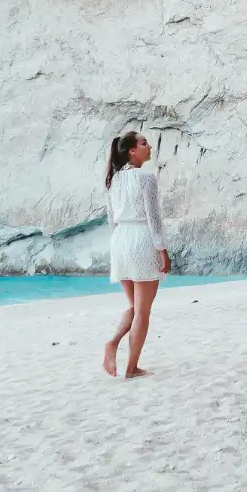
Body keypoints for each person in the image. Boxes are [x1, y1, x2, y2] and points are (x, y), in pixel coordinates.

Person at [102, 131, 169, 378]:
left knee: (133, 306)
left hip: (120, 240)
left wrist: (118, 244)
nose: (149, 146)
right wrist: (163, 250)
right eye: (143, 143)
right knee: (142, 311)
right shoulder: (145, 177)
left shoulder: (113, 180)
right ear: (132, 150)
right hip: (142, 239)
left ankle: (113, 343)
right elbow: (154, 219)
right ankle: (130, 367)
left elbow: (111, 221)